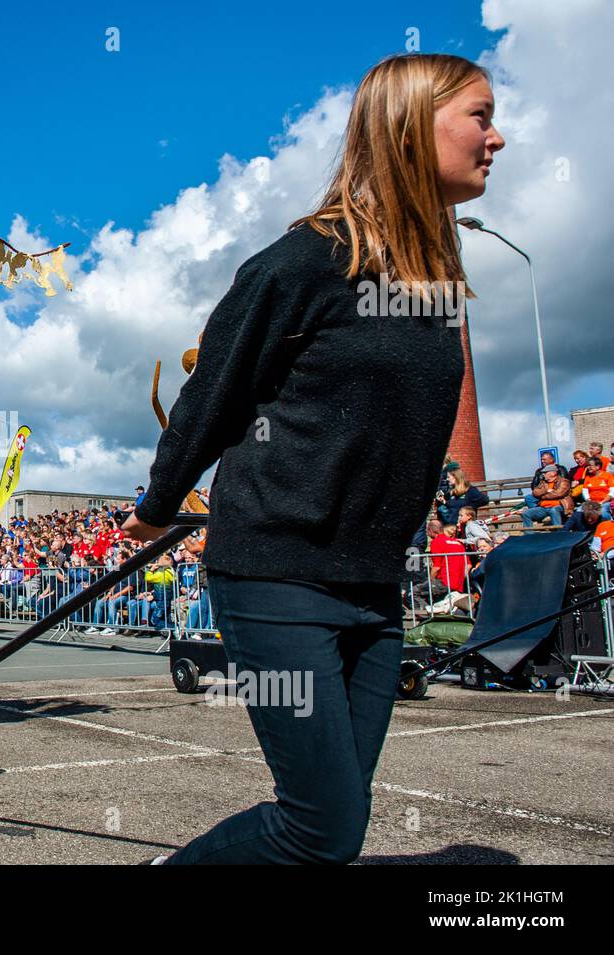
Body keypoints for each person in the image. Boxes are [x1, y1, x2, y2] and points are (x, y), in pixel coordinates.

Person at [122, 53, 501, 864]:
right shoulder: (305, 262)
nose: (496, 137)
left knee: (337, 822)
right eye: (480, 115)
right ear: (409, 124)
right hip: (276, 571)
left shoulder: (431, 285)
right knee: (320, 827)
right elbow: (215, 393)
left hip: (371, 585)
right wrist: (159, 503)